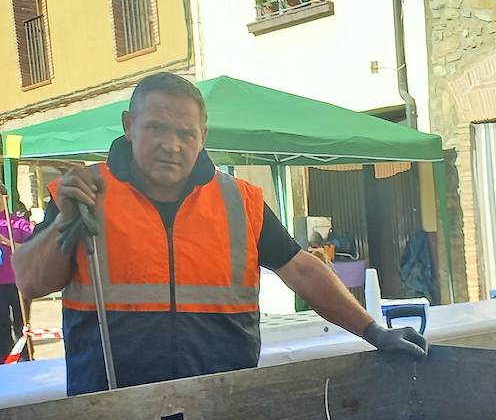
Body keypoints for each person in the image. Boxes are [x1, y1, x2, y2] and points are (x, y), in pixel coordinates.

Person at [14, 72, 427, 396]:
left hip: (222, 399)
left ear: (202, 136)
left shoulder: (238, 201)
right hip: (111, 403)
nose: (171, 145)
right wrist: (66, 219)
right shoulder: (84, 192)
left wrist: (374, 331)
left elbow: (302, 270)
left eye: (185, 133)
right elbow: (30, 281)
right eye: (157, 128)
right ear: (129, 125)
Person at [0, 185, 35, 356]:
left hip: (18, 279)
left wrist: (6, 241)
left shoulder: (19, 223)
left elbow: (31, 248)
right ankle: (5, 359)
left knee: (22, 323)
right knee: (2, 323)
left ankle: (25, 358)